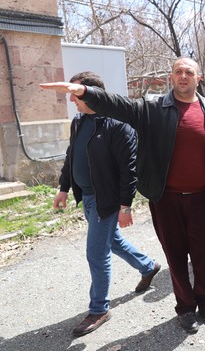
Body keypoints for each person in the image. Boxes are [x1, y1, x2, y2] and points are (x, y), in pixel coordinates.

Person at [40, 57, 205, 334]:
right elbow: (117, 104)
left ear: (198, 79)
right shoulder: (151, 108)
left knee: (202, 255)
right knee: (175, 257)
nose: (183, 76)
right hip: (165, 199)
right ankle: (185, 308)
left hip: (203, 198)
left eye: (189, 72)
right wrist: (85, 92)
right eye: (178, 71)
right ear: (171, 77)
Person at [53, 71, 161, 337]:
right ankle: (148, 266)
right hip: (87, 197)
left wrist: (125, 206)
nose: (71, 100)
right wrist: (64, 189)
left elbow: (129, 170)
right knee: (112, 242)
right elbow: (71, 156)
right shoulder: (78, 122)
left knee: (96, 253)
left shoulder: (118, 125)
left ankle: (99, 309)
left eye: (75, 94)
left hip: (107, 199)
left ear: (92, 94)